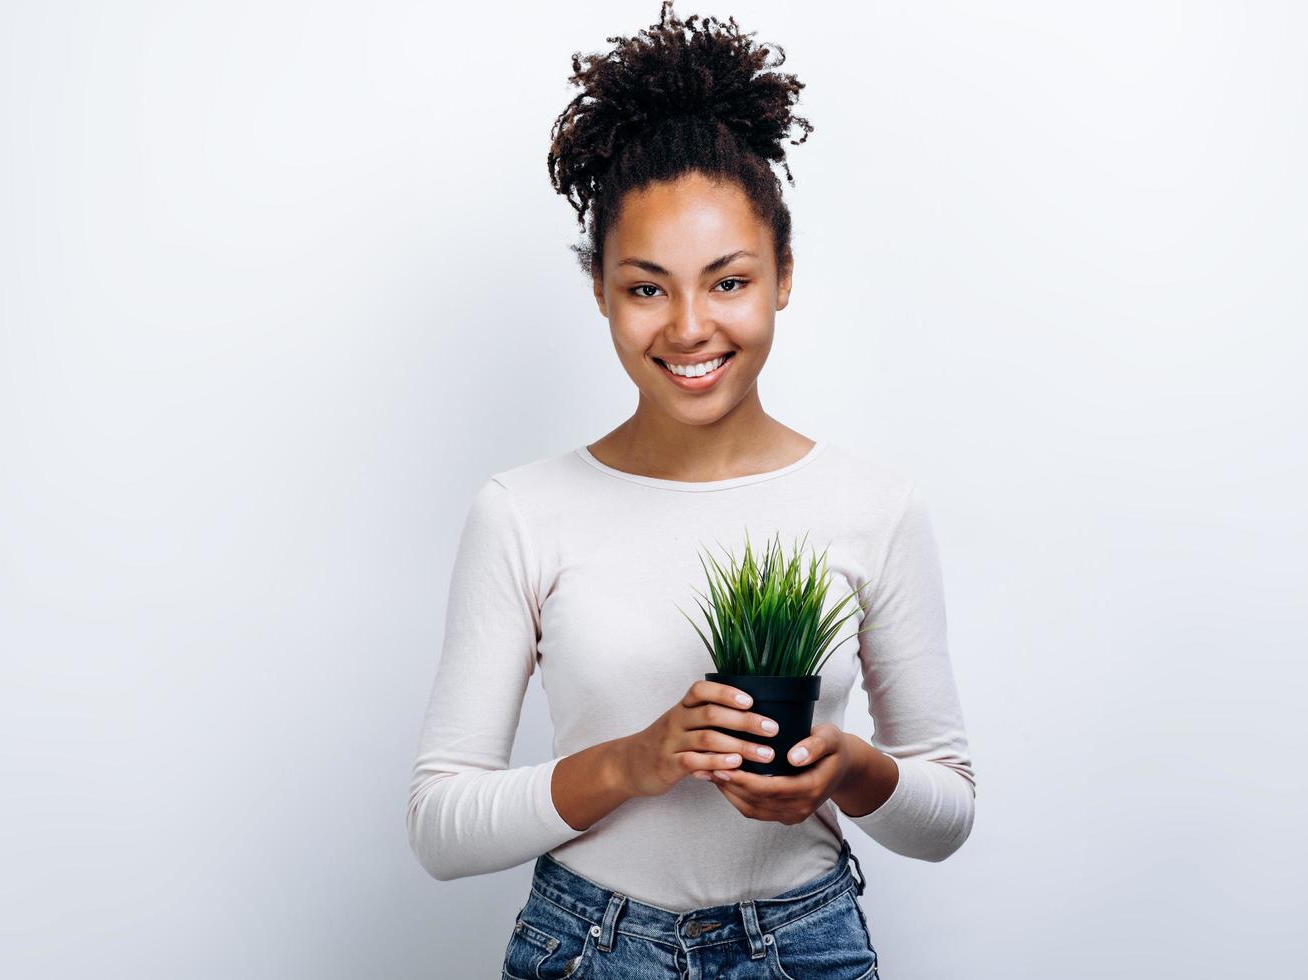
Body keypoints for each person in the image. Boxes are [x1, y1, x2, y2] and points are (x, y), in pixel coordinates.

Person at [407, 3, 976, 976]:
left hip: (807, 944)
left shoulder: (874, 506)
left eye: (726, 281)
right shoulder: (523, 510)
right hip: (590, 946)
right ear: (598, 289)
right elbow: (439, 823)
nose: (686, 327)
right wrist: (633, 760)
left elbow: (945, 812)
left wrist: (855, 767)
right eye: (644, 286)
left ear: (781, 276)